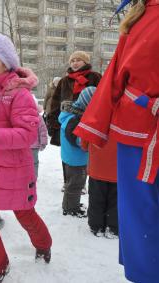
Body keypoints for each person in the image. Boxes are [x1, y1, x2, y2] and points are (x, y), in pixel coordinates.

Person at [74, 1, 158, 281]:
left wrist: (93, 127)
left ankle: (145, 272)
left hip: (137, 131)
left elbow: (113, 77)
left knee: (139, 213)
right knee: (137, 211)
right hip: (138, 131)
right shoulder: (139, 19)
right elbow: (115, 75)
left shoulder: (139, 19)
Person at [0, 33, 52, 283]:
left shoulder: (19, 93)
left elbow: (27, 134)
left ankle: (44, 244)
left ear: (5, 63)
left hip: (14, 168)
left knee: (24, 213)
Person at [46, 51, 101, 195]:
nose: (75, 63)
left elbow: (102, 97)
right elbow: (55, 102)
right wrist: (53, 123)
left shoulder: (95, 77)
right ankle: (67, 181)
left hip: (88, 120)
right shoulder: (65, 80)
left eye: (78, 60)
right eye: (72, 61)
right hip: (66, 120)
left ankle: (81, 182)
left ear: (85, 62)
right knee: (68, 154)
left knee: (86, 151)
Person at [79, 89, 118, 238]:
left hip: (97, 169)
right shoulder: (122, 117)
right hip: (117, 170)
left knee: (96, 199)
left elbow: (84, 144)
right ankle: (113, 228)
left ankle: (96, 227)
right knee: (115, 200)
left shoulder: (93, 117)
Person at [59, 87, 95, 217]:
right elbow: (77, 141)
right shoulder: (74, 120)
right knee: (75, 185)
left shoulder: (72, 114)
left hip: (72, 157)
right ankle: (70, 208)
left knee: (73, 184)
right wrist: (91, 141)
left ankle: (70, 204)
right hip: (76, 159)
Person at [31, 95, 48, 179]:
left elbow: (43, 131)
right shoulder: (20, 116)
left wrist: (43, 142)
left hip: (34, 145)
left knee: (34, 162)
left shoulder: (38, 118)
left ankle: (34, 176)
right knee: (25, 162)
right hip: (24, 145)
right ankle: (27, 176)